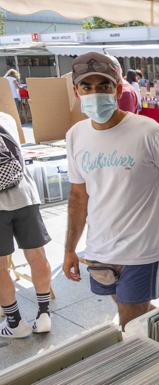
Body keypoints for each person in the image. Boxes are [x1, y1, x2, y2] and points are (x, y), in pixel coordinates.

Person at [63, 52, 159, 330]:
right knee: (129, 307)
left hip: (139, 250)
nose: (94, 93)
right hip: (100, 250)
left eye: (104, 86)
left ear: (118, 89)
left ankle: (144, 369)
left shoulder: (148, 131)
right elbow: (78, 196)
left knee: (129, 324)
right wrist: (70, 250)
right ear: (76, 91)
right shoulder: (76, 134)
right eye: (87, 86)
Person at [0, 112, 52, 338]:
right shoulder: (6, 117)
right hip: (26, 195)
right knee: (37, 255)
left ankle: (15, 323)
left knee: (0, 266)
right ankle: (44, 315)